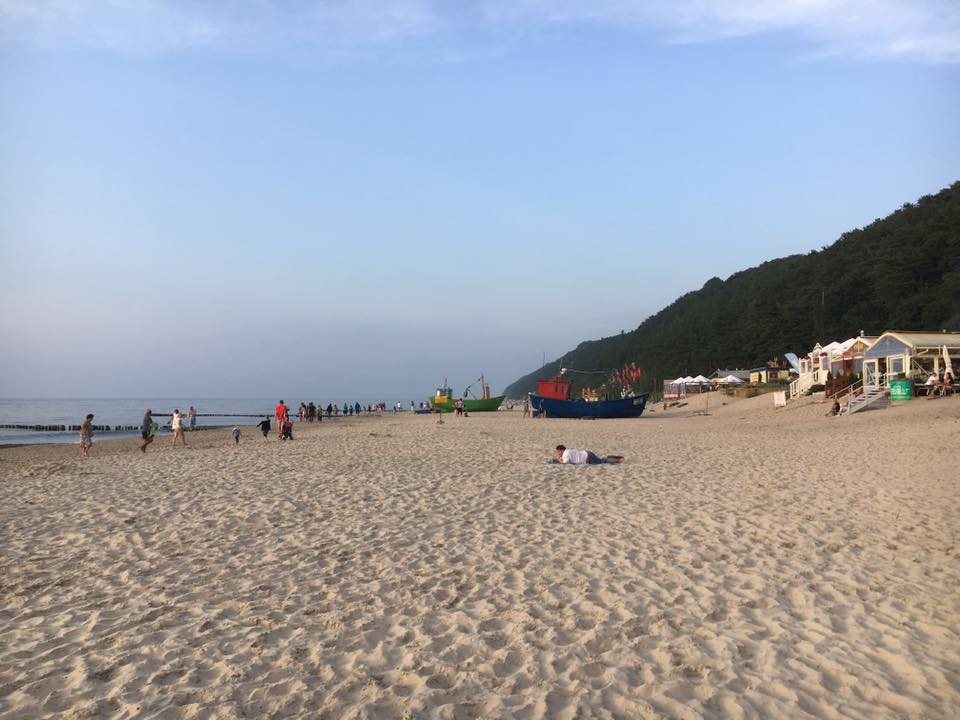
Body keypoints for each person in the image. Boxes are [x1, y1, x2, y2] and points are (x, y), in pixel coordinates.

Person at [553, 445, 624, 465]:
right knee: (601, 460)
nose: (558, 453)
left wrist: (559, 459)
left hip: (587, 459)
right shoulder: (569, 450)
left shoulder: (565, 454)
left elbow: (565, 463)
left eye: (558, 452)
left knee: (603, 461)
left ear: (561, 450)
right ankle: (614, 458)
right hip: (587, 453)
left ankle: (618, 460)